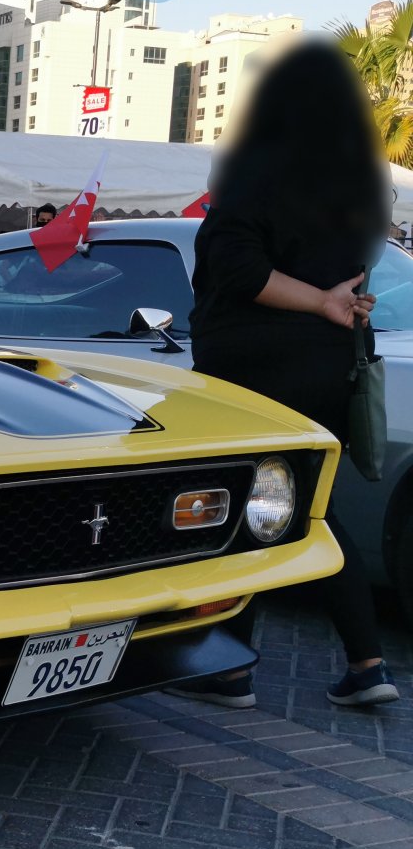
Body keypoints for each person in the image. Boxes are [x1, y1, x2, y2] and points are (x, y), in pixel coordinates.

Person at [171, 40, 398, 710]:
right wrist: (331, 302)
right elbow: (355, 275)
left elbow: (237, 269)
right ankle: (353, 664)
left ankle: (238, 669)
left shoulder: (258, 173)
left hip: (256, 370)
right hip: (329, 366)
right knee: (292, 507)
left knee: (258, 505)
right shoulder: (356, 184)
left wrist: (321, 300)